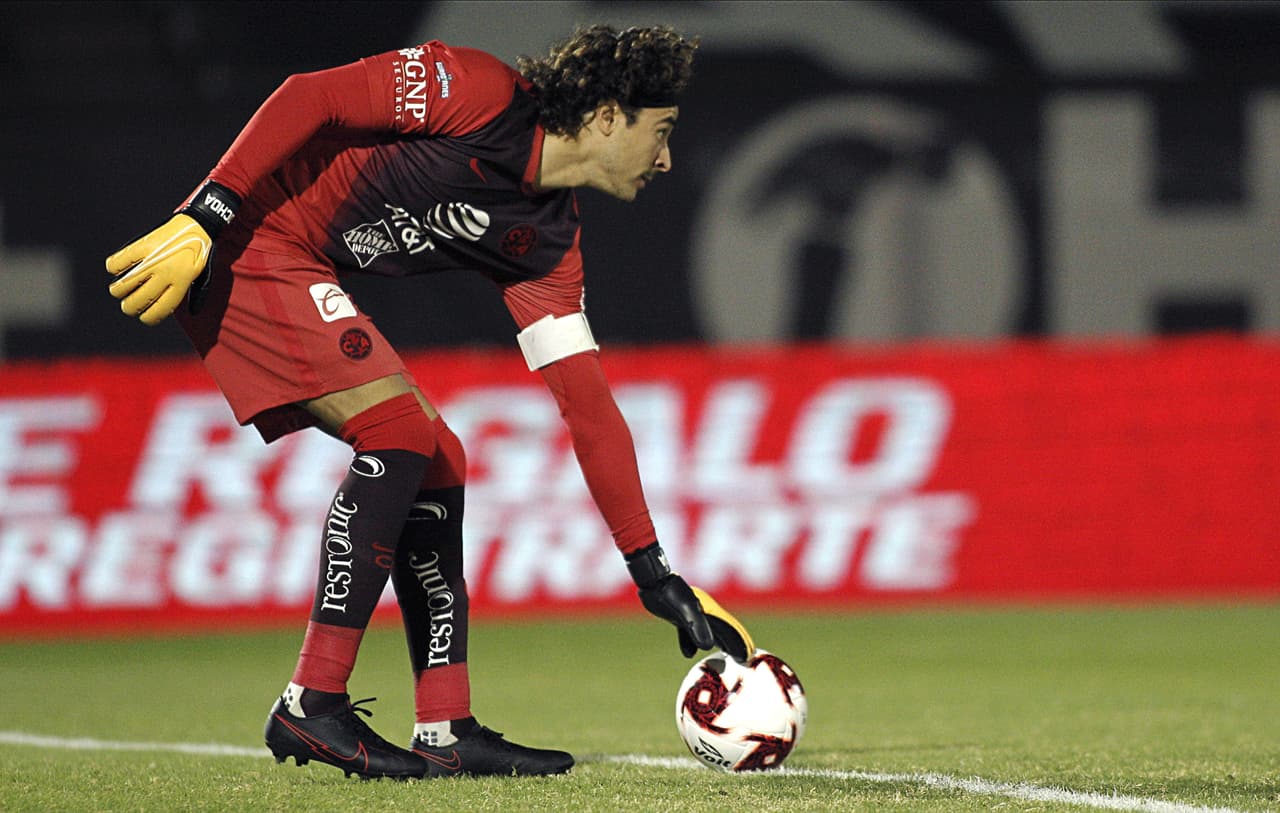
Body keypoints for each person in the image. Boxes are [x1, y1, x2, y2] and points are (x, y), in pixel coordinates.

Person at [104, 24, 752, 781]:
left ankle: (446, 723)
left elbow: (589, 410)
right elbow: (309, 96)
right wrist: (204, 216)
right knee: (399, 430)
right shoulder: (475, 92)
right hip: (239, 235)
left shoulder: (546, 241)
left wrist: (652, 570)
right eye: (661, 131)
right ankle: (311, 700)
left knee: (441, 455)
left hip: (295, 259)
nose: (668, 157)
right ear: (608, 116)